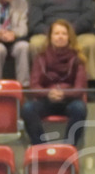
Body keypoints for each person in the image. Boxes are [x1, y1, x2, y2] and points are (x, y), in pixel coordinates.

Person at [28, 0, 95, 80]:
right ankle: (41, 80)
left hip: (76, 33)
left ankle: (87, 83)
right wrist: (54, 34)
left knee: (91, 42)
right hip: (49, 35)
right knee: (35, 43)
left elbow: (89, 16)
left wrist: (69, 31)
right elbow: (35, 24)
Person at [22, 19, 87, 149]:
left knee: (80, 108)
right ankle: (40, 147)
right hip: (46, 100)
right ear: (50, 37)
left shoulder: (78, 58)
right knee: (28, 108)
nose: (60, 37)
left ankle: (69, 147)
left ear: (69, 37)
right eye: (56, 33)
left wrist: (63, 93)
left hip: (69, 100)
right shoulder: (41, 57)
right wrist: (49, 93)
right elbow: (34, 86)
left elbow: (80, 88)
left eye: (64, 33)